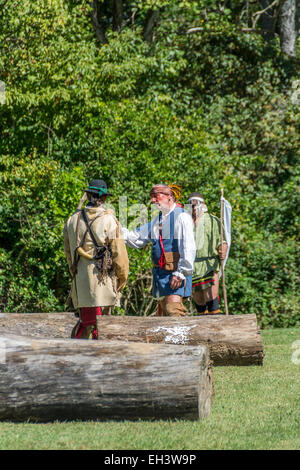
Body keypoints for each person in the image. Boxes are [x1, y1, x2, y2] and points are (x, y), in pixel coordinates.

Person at [63, 179, 129, 339]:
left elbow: (68, 254)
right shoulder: (109, 220)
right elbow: (119, 253)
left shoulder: (72, 220)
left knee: (85, 324)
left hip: (81, 283)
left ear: (88, 195)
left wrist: (75, 275)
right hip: (103, 281)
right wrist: (123, 277)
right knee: (102, 328)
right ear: (104, 198)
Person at [122, 184, 196, 317]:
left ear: (169, 197)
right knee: (163, 317)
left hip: (175, 274)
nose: (153, 200)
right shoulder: (158, 220)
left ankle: (182, 338)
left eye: (157, 196)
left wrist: (181, 273)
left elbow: (188, 247)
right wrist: (114, 227)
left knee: (174, 311)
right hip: (161, 275)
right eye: (152, 197)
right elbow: (136, 238)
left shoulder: (182, 216)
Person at [187, 192, 228, 315]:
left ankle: (217, 329)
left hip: (209, 264)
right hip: (192, 265)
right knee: (199, 301)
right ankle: (203, 331)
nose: (194, 208)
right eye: (191, 205)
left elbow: (223, 241)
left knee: (211, 298)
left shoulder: (213, 220)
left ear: (203, 205)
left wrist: (223, 249)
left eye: (196, 205)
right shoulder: (185, 222)